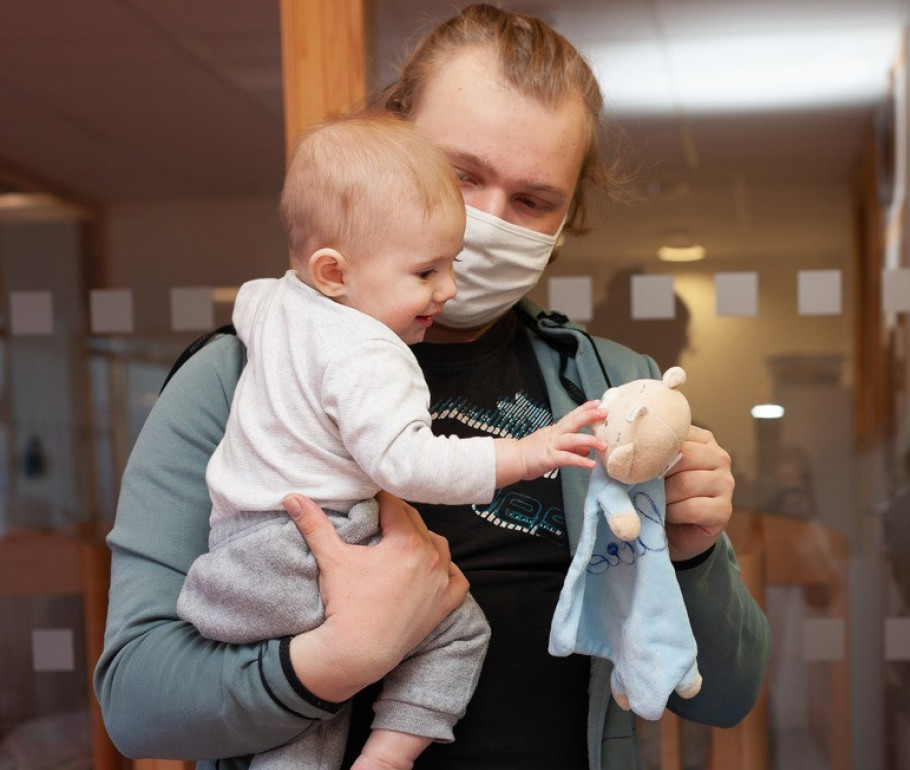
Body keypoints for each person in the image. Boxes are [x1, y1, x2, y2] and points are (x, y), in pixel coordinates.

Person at [95, 5, 771, 769]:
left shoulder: (611, 391)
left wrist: (690, 552)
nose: (483, 221)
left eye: (532, 201)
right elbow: (136, 706)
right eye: (460, 175)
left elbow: (726, 696)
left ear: (566, 219)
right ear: (390, 143)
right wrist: (335, 660)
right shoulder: (235, 379)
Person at [174, 112, 605, 770]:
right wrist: (522, 453)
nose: (448, 289)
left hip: (238, 559)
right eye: (426, 271)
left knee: (309, 711)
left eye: (450, 265)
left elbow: (255, 308)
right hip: (305, 556)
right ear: (333, 272)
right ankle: (390, 757)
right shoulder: (371, 352)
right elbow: (406, 463)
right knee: (458, 629)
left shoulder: (269, 303)